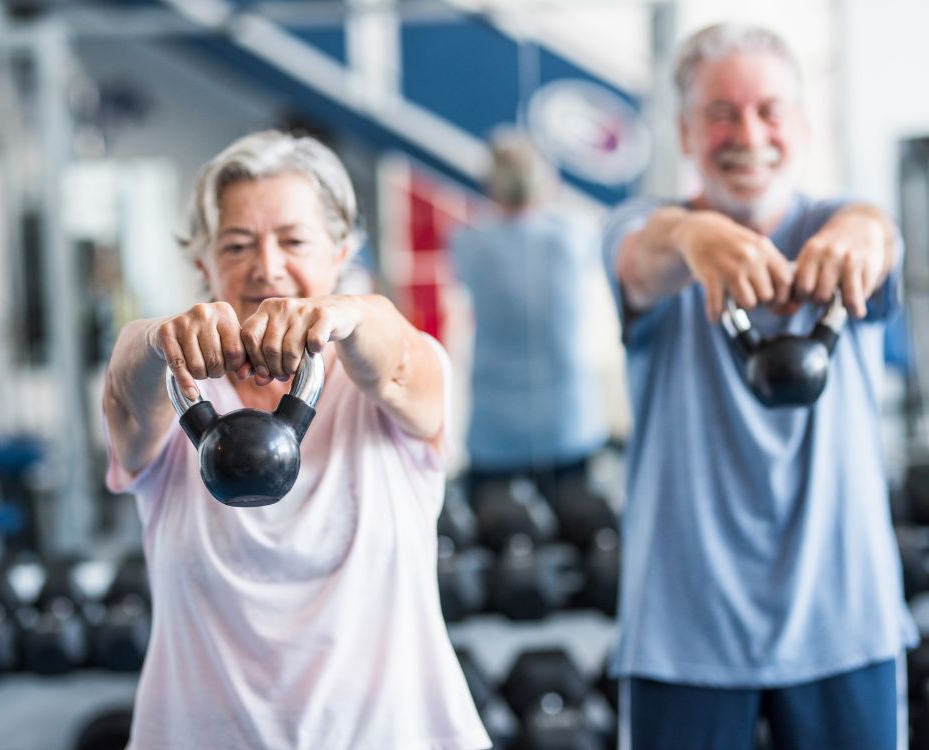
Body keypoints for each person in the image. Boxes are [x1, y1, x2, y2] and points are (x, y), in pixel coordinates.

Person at [101, 130, 490, 750]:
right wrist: (156, 340)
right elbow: (124, 386)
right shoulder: (171, 392)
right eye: (236, 244)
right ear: (203, 264)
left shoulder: (393, 380)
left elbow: (395, 360)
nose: (268, 265)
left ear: (342, 251)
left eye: (294, 240)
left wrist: (348, 315)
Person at [601, 23, 916, 750]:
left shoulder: (839, 230)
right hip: (686, 628)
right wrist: (693, 238)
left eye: (769, 110)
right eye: (720, 114)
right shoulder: (642, 229)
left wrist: (865, 226)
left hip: (844, 620)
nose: (748, 133)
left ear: (800, 125)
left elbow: (878, 236)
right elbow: (641, 258)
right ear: (684, 131)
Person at [450, 131, 608, 508]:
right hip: (567, 424)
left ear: (491, 185)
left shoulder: (468, 244)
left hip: (495, 428)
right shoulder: (575, 237)